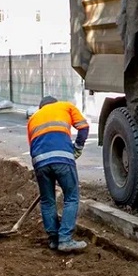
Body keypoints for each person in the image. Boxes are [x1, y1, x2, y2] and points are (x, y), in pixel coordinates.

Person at [26, 96, 89, 252]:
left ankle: (54, 239)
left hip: (40, 162)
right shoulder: (65, 106)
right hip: (62, 159)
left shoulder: (33, 118)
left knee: (48, 201)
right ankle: (65, 239)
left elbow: (32, 145)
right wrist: (78, 148)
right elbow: (84, 127)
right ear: (54, 103)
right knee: (71, 197)